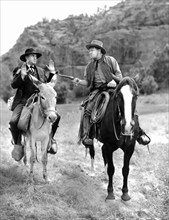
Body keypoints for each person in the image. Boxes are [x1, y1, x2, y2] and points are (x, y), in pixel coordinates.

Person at [73, 40, 150, 146]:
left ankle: (139, 133)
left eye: (92, 50)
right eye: (89, 51)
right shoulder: (89, 66)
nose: (89, 52)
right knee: (88, 109)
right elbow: (87, 82)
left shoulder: (111, 60)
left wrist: (114, 81)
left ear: (99, 51)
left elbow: (120, 77)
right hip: (97, 91)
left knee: (128, 104)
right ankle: (86, 135)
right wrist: (79, 81)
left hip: (114, 89)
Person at [9, 48, 61, 160]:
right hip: (23, 101)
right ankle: (17, 144)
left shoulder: (41, 71)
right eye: (33, 56)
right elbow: (13, 85)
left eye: (36, 56)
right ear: (26, 58)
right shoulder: (18, 70)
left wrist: (52, 73)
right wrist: (22, 76)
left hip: (40, 100)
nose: (35, 58)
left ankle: (51, 139)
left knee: (57, 116)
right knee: (13, 122)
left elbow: (47, 84)